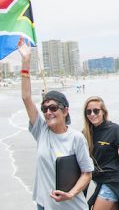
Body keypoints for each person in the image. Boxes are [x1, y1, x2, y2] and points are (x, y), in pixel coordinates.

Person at [17, 37, 94, 210]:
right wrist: (25, 61)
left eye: (53, 107)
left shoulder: (76, 138)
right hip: (44, 205)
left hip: (72, 206)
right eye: (44, 109)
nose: (48, 112)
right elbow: (26, 97)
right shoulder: (41, 130)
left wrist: (71, 193)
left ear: (65, 111)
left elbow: (87, 173)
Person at [82, 96, 119, 210]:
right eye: (88, 111)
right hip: (97, 182)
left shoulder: (114, 130)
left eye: (96, 110)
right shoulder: (85, 134)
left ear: (103, 112)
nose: (92, 114)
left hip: (112, 183)